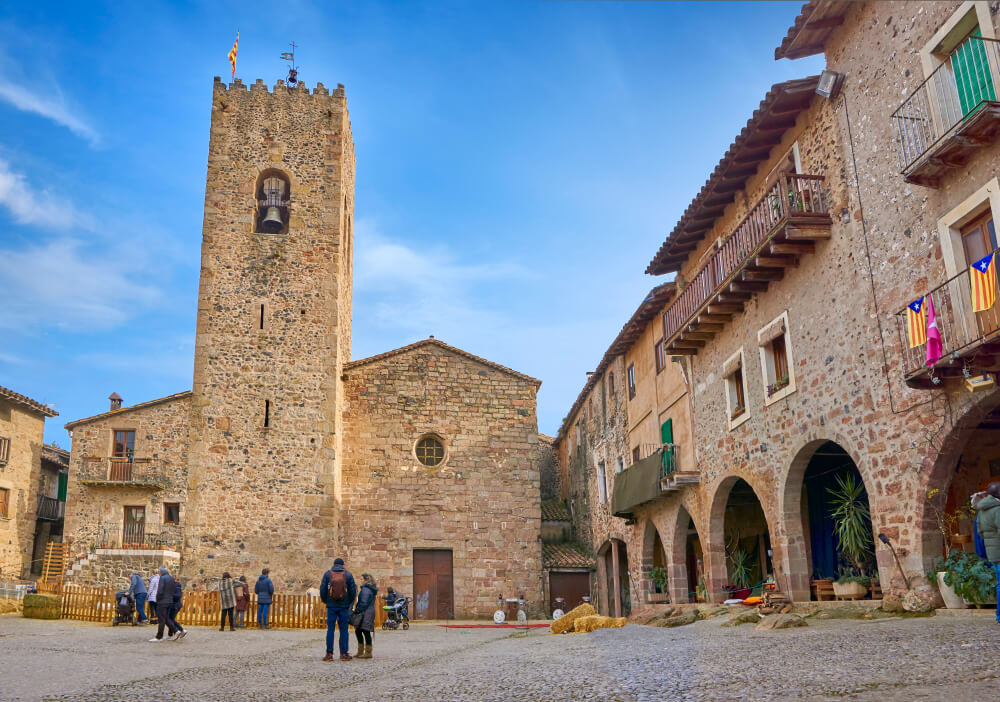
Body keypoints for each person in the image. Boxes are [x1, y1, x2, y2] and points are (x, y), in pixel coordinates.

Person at [320, 557, 356, 662]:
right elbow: (352, 590)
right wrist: (349, 602)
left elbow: (323, 589)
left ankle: (329, 654)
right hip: (344, 606)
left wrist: (326, 600)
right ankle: (344, 653)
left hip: (331, 606)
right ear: (343, 564)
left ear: (334, 564)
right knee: (344, 630)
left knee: (330, 629)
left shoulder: (327, 574)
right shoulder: (348, 575)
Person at [973, 482, 1000, 624]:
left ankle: (999, 615)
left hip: (992, 553)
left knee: (999, 583)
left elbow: (980, 533)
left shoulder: (981, 511)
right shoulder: (997, 509)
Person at [352, 573, 378, 660]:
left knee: (364, 631)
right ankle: (361, 651)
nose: (361, 581)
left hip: (365, 613)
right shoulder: (367, 589)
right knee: (359, 631)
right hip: (367, 612)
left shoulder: (366, 590)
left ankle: (368, 652)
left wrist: (357, 611)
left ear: (366, 580)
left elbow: (363, 602)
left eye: (362, 579)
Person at [149, 566, 176, 642]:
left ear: (161, 572)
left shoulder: (162, 578)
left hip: (162, 601)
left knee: (161, 619)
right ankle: (175, 631)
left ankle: (159, 636)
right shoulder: (171, 578)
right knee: (166, 618)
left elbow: (160, 590)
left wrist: (157, 599)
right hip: (170, 601)